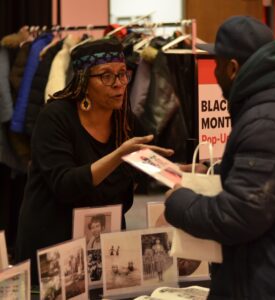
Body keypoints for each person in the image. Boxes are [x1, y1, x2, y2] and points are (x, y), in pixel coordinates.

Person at [15, 36, 174, 285]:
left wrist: (175, 171)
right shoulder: (55, 117)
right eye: (106, 76)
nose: (119, 84)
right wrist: (118, 155)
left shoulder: (125, 120)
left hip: (105, 247)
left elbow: (139, 169)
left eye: (123, 74)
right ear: (83, 80)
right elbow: (65, 185)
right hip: (54, 249)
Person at [164, 15, 275, 300]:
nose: (213, 73)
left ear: (233, 68)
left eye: (216, 65)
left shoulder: (267, 120)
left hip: (268, 281)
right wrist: (215, 171)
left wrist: (179, 201)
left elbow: (240, 214)